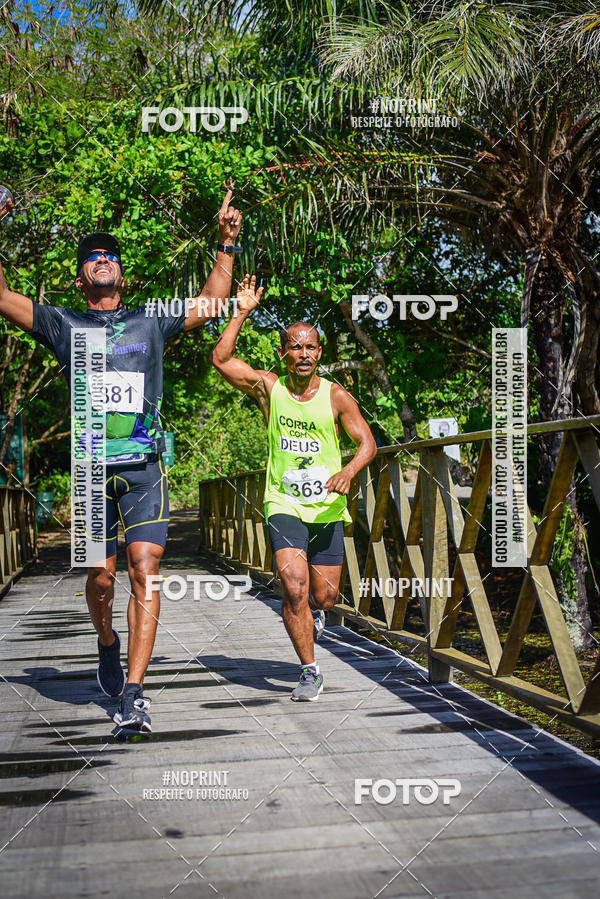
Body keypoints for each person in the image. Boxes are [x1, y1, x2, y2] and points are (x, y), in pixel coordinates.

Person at [0, 189, 242, 731]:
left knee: (145, 572)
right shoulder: (62, 324)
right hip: (89, 469)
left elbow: (208, 303)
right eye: (91, 256)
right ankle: (106, 641)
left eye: (110, 254)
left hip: (144, 467)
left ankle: (134, 691)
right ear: (80, 279)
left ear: (122, 275)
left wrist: (227, 243)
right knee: (100, 578)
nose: (102, 258)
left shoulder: (149, 321)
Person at [211, 275, 377, 701]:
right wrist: (242, 311)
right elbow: (222, 358)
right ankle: (309, 670)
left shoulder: (336, 395)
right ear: (283, 353)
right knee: (294, 587)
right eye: (295, 347)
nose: (303, 354)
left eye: (310, 347)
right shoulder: (269, 388)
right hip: (282, 502)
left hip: (325, 507)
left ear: (319, 353)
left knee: (325, 595)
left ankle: (314, 617)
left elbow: (367, 443)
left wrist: (349, 472)